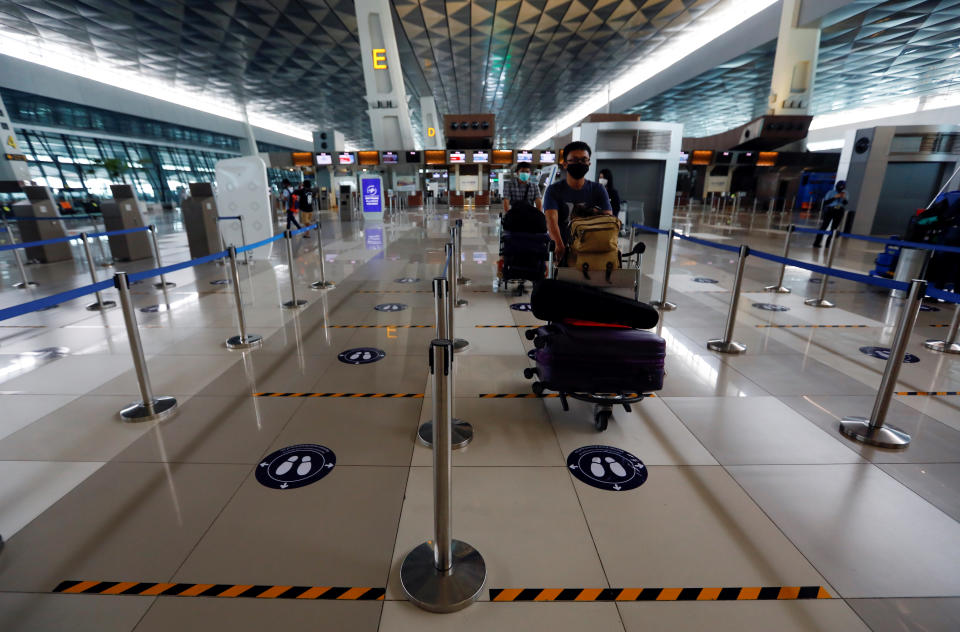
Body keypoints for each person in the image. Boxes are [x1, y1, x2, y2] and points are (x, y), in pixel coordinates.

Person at [542, 141, 612, 264]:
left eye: (584, 160)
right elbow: (551, 221)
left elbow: (608, 219)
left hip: (592, 249)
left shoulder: (598, 190)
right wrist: (559, 245)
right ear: (565, 164)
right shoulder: (554, 190)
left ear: (589, 163)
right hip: (563, 248)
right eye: (574, 160)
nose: (579, 163)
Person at [813, 180, 848, 248]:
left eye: (842, 187)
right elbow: (826, 202)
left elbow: (845, 203)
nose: (841, 188)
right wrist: (835, 197)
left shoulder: (845, 193)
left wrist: (843, 198)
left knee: (834, 228)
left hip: (839, 211)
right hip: (830, 210)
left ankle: (828, 244)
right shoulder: (831, 192)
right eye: (840, 186)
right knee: (824, 226)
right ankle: (816, 242)